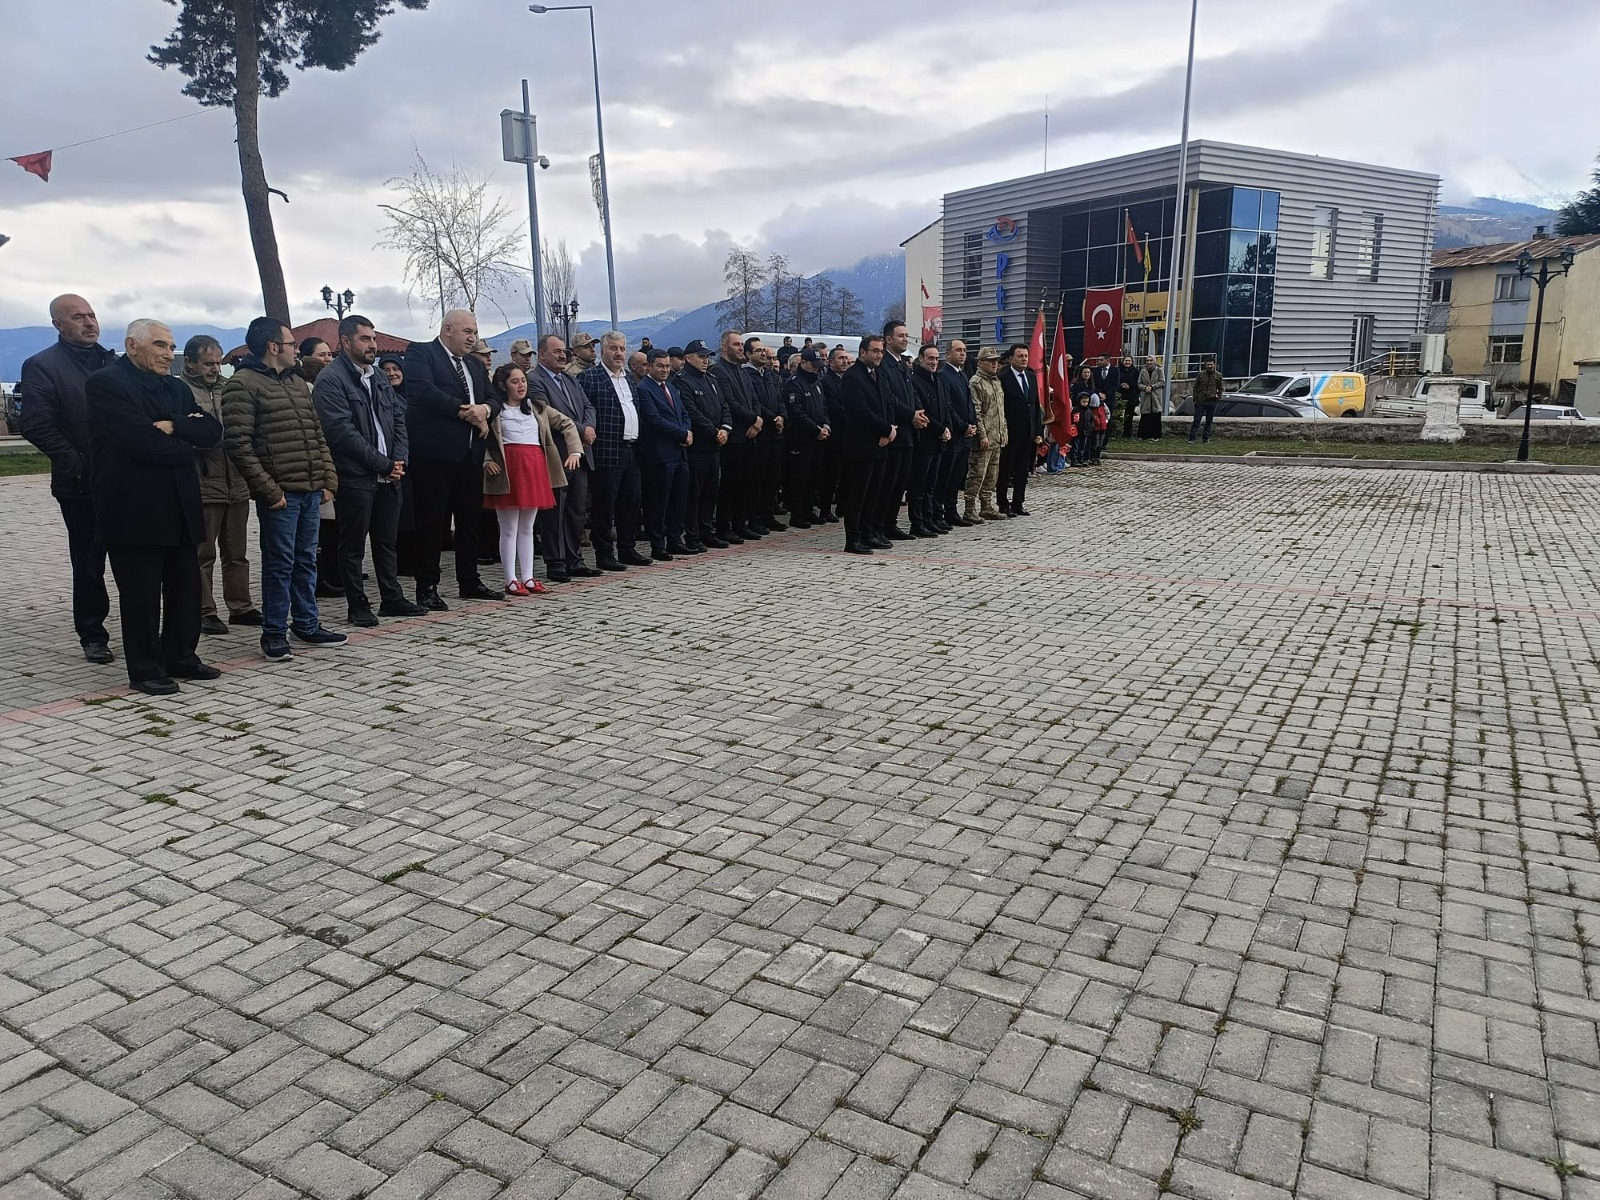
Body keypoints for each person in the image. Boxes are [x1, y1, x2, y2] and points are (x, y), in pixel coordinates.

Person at [87, 320, 224, 694]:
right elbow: (140, 443)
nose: (169, 354)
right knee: (141, 594)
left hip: (179, 503)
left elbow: (211, 432)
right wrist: (184, 443)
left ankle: (180, 655)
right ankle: (145, 669)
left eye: (171, 346)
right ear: (132, 345)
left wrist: (174, 425)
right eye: (161, 345)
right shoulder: (106, 384)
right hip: (133, 508)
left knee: (185, 587)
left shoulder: (175, 387)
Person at [224, 317, 347, 660]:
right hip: (280, 495)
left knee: (307, 559)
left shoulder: (296, 382)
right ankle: (275, 632)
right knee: (280, 564)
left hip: (310, 489)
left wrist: (327, 480)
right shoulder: (243, 385)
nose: (297, 350)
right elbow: (238, 444)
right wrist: (268, 490)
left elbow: (316, 434)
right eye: (292, 344)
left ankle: (307, 624)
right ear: (273, 347)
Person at [18, 293, 118, 663]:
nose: (89, 322)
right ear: (58, 324)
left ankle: (142, 631)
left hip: (123, 480)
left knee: (133, 557)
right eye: (78, 317)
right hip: (80, 485)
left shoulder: (111, 363)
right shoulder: (43, 366)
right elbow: (36, 424)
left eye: (92, 315)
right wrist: (75, 462)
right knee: (90, 561)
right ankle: (92, 633)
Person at [311, 315, 427, 627]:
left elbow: (398, 420)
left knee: (386, 541)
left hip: (390, 475)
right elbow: (340, 432)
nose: (372, 345)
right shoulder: (331, 380)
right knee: (352, 545)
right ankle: (358, 604)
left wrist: (398, 459)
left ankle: (391, 597)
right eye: (365, 339)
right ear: (345, 342)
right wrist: (382, 463)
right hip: (356, 476)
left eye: (373, 339)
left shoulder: (377, 377)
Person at [402, 309, 502, 609]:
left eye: (474, 331)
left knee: (470, 522)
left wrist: (485, 411)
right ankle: (427, 586)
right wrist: (465, 411)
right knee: (433, 524)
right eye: (467, 332)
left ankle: (469, 580)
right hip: (434, 457)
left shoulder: (473, 364)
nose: (473, 338)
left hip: (470, 456)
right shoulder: (421, 353)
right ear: (448, 330)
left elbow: (493, 398)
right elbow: (422, 392)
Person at [182, 334, 260, 636]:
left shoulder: (229, 388)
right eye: (208, 363)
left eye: (218, 362)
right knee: (203, 554)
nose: (215, 369)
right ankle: (204, 610)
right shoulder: (181, 390)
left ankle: (241, 606)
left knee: (237, 552)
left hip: (236, 481)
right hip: (204, 482)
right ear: (189, 362)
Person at [483, 363, 580, 594]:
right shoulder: (496, 410)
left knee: (527, 527)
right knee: (508, 528)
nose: (521, 385)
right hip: (509, 468)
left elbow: (566, 423)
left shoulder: (536, 407)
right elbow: (481, 436)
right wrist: (487, 460)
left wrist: (575, 450)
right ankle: (510, 579)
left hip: (534, 466)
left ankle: (527, 577)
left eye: (523, 380)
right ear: (503, 385)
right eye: (514, 381)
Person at [527, 334, 601, 582]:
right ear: (542, 354)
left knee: (576, 510)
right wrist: (581, 430)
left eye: (564, 352)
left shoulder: (570, 380)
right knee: (554, 511)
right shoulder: (533, 381)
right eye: (556, 351)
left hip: (580, 452)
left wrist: (588, 428)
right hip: (556, 453)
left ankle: (574, 558)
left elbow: (588, 406)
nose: (562, 355)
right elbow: (547, 414)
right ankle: (555, 561)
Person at [578, 331, 649, 571]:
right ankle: (604, 553)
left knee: (630, 503)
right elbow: (584, 412)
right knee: (604, 506)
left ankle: (627, 549)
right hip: (606, 451)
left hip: (632, 450)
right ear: (602, 352)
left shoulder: (629, 380)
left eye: (621, 348)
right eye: (613, 349)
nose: (618, 353)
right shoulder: (590, 377)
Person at [635, 348, 697, 559]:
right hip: (659, 455)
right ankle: (658, 544)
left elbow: (684, 413)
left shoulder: (671, 387)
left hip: (679, 453)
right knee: (659, 503)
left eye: (667, 366)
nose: (664, 370)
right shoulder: (644, 389)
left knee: (679, 500)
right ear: (649, 366)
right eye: (660, 366)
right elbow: (653, 420)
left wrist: (687, 430)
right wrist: (681, 433)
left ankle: (675, 539)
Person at [837, 334, 895, 554]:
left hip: (880, 444)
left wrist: (889, 429)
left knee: (875, 495)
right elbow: (859, 412)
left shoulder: (878, 374)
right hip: (861, 446)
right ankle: (853, 539)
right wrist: (885, 428)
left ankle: (868, 533)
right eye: (875, 351)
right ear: (863, 352)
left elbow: (887, 403)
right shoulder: (853, 377)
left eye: (881, 351)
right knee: (857, 497)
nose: (879, 355)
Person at [676, 339, 730, 552]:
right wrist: (714, 431)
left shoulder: (712, 380)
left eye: (707, 356)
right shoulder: (683, 381)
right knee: (694, 493)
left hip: (715, 445)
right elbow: (691, 412)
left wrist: (725, 428)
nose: (705, 361)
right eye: (701, 356)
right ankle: (692, 534)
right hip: (698, 445)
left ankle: (706, 531)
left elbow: (724, 405)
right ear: (688, 358)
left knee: (710, 491)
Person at [712, 330, 761, 542]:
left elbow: (754, 399)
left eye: (741, 344)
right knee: (730, 483)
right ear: (724, 347)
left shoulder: (742, 372)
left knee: (746, 482)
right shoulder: (719, 371)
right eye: (736, 345)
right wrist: (753, 419)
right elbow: (730, 403)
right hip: (734, 436)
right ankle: (724, 526)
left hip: (751, 434)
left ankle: (740, 523)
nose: (740, 348)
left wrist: (757, 420)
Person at [876, 320, 917, 539]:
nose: (904, 339)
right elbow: (889, 398)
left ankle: (890, 524)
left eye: (906, 335)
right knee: (888, 483)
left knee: (900, 483)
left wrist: (917, 412)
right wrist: (910, 415)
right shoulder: (884, 365)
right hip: (894, 431)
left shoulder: (903, 364)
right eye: (900, 335)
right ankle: (880, 525)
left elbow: (910, 394)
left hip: (908, 432)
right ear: (888, 339)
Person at [782, 346, 830, 528]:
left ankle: (809, 511)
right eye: (813, 364)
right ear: (803, 363)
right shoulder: (794, 383)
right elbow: (797, 412)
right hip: (801, 439)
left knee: (814, 477)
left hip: (818, 438)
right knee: (800, 478)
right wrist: (815, 429)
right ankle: (798, 514)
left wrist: (825, 426)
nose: (817, 368)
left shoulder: (817, 383)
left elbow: (824, 407)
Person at [908, 344, 951, 538]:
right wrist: (940, 429)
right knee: (919, 486)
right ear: (921, 359)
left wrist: (947, 429)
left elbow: (946, 407)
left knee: (932, 485)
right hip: (924, 441)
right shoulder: (915, 381)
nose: (934, 362)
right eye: (930, 358)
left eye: (936, 358)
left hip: (939, 441)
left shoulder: (938, 380)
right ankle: (917, 522)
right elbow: (921, 412)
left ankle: (930, 518)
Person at [744, 338, 787, 531]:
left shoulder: (770, 376)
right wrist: (772, 419)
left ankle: (768, 514)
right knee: (757, 478)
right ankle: (755, 517)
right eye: (758, 350)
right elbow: (755, 404)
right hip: (761, 433)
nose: (763, 354)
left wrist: (782, 416)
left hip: (776, 434)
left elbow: (779, 398)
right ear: (748, 355)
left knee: (772, 477)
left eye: (764, 350)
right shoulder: (747, 376)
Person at [997, 344, 1042, 516]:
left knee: (1023, 469)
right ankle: (1002, 503)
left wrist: (1038, 430)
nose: (1024, 359)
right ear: (1011, 358)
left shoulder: (1031, 377)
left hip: (1028, 432)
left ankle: (1018, 502)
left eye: (1025, 356)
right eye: (1020, 356)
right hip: (1010, 432)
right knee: (1006, 469)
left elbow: (1035, 406)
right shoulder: (1003, 377)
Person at [963, 346, 1007, 522]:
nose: (995, 364)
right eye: (991, 361)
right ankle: (969, 509)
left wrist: (1004, 432)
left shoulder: (995, 381)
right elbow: (977, 412)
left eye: (996, 360)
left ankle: (986, 506)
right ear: (980, 363)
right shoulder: (976, 382)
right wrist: (981, 435)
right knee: (977, 474)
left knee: (992, 474)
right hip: (984, 438)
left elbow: (1000, 411)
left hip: (997, 435)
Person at [938, 340, 976, 527]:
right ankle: (941, 512)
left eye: (964, 351)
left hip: (966, 434)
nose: (962, 354)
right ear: (948, 354)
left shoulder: (963, 375)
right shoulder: (944, 375)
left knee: (957, 476)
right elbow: (948, 406)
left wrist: (973, 424)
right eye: (958, 350)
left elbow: (969, 403)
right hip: (954, 433)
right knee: (946, 475)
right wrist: (962, 426)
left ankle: (952, 511)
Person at [815, 346, 849, 522]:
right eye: (840, 358)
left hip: (847, 434)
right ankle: (825, 508)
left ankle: (843, 506)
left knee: (845, 473)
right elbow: (833, 407)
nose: (844, 362)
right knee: (830, 474)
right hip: (834, 434)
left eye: (846, 359)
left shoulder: (846, 380)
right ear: (831, 361)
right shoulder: (827, 381)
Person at [1189, 355, 1224, 443]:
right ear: (1205, 365)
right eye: (1208, 365)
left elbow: (1220, 388)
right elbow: (1195, 387)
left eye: (1211, 364)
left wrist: (1218, 397)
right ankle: (1192, 438)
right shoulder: (1201, 374)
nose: (1209, 366)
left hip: (1212, 400)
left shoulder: (1218, 375)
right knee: (1196, 420)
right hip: (1200, 401)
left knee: (1209, 421)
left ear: (1214, 365)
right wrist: (1195, 398)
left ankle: (1206, 438)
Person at [1069, 367, 1096, 468]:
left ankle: (1083, 458)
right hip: (1078, 425)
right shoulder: (1077, 385)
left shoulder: (1091, 384)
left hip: (1086, 427)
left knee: (1083, 445)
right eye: (1084, 372)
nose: (1086, 374)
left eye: (1088, 372)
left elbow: (1092, 420)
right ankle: (1074, 459)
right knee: (1076, 445)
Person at [1138, 356, 1166, 440]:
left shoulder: (1159, 370)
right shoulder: (1143, 371)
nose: (1149, 362)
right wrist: (1145, 388)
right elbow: (1139, 383)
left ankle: (1155, 435)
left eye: (1151, 360)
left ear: (1154, 361)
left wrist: (1152, 387)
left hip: (1155, 395)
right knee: (1145, 416)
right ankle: (1143, 435)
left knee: (1155, 416)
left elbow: (1162, 382)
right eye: (1147, 361)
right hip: (1146, 396)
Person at [1118, 354, 1139, 438]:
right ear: (1123, 361)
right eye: (1126, 360)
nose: (1127, 362)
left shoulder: (1136, 371)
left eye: (1129, 361)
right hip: (1120, 395)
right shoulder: (1118, 370)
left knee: (1129, 417)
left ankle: (1127, 434)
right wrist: (1121, 385)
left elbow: (1138, 383)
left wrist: (1129, 385)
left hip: (1131, 397)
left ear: (1132, 362)